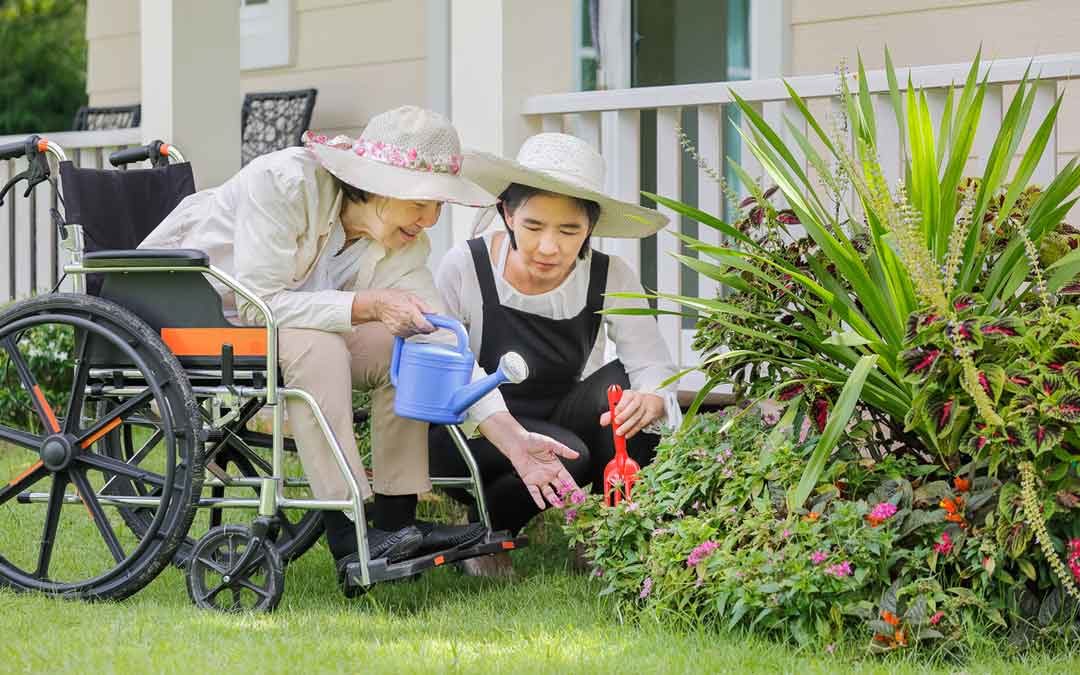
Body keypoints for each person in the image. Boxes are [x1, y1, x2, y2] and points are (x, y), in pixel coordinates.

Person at [139, 107, 581, 580]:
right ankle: (350, 531)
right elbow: (259, 303)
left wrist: (512, 439)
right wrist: (367, 305)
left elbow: (443, 339)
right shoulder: (284, 182)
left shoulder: (403, 243)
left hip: (285, 330)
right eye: (421, 202)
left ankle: (395, 521)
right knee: (321, 345)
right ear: (377, 184)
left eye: (439, 206)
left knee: (413, 347)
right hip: (192, 313)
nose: (430, 219)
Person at [430, 132, 681, 575]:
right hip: (468, 431)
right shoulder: (465, 266)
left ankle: (612, 536)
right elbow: (442, 369)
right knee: (571, 453)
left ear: (591, 228)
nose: (550, 247)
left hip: (556, 415)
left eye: (569, 231)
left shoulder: (610, 275)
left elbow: (651, 363)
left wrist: (652, 399)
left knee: (623, 391)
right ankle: (488, 533)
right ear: (507, 213)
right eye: (533, 227)